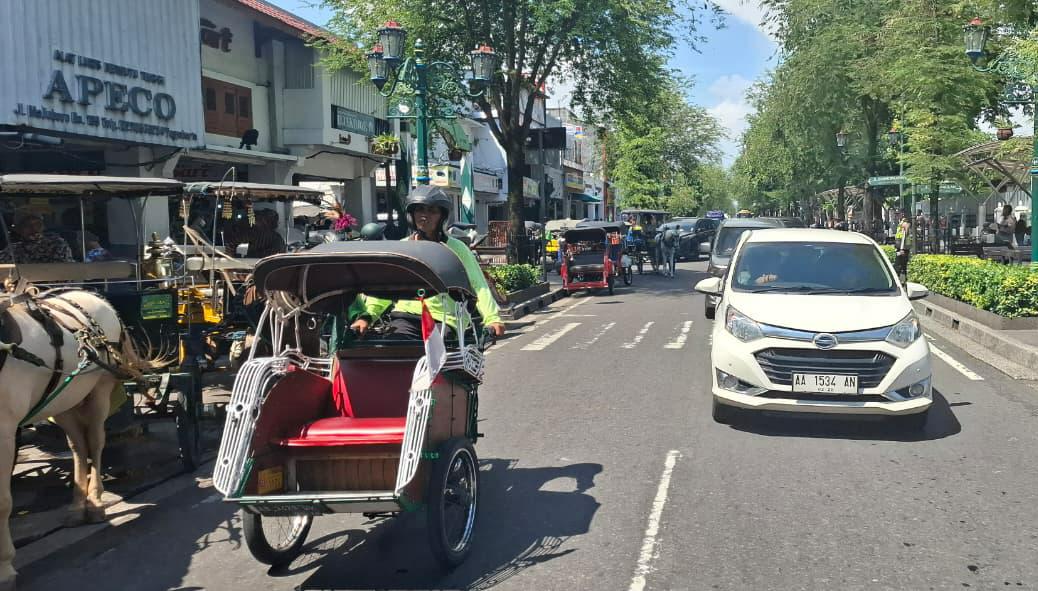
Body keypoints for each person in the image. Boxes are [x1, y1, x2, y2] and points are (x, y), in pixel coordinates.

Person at [350, 186, 505, 340]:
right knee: (393, 343)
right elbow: (386, 287)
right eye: (420, 210)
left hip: (444, 319)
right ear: (411, 215)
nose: (425, 215)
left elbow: (478, 285)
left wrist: (492, 318)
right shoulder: (402, 248)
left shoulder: (457, 249)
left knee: (437, 348)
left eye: (432, 211)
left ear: (442, 216)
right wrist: (367, 317)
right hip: (406, 317)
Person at [4, 214, 74, 263]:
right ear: (18, 230)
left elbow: (64, 271)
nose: (34, 228)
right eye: (27, 225)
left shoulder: (57, 244)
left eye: (37, 224)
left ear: (43, 227)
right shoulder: (13, 250)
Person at [894, 210, 911, 283]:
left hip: (903, 248)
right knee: (901, 264)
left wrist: (902, 248)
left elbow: (905, 235)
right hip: (899, 247)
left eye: (898, 214)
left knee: (900, 264)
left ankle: (901, 280)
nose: (897, 215)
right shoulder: (900, 223)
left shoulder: (905, 224)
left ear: (902, 214)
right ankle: (902, 280)